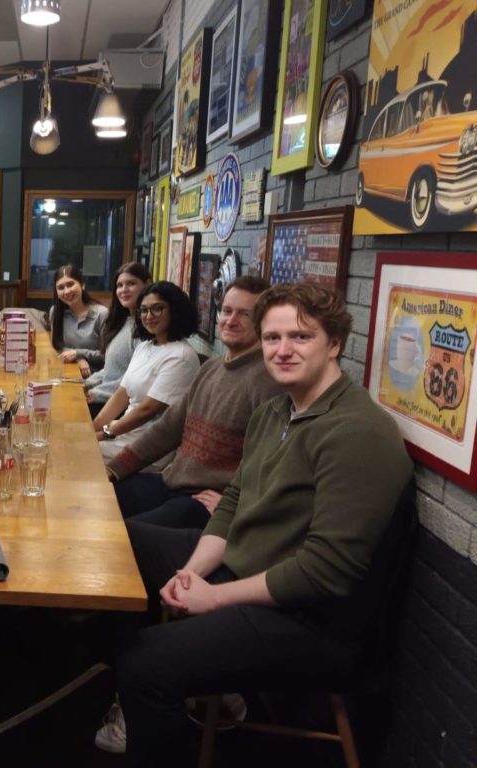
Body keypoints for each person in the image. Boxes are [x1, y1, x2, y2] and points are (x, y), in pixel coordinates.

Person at [113, 283, 412, 768]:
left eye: (300, 337)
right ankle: (145, 699)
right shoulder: (277, 409)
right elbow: (234, 500)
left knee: (143, 665)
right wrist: (194, 571)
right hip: (249, 565)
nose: (283, 350)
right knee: (118, 544)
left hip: (311, 619)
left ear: (334, 343)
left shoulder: (358, 433)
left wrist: (212, 597)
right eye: (272, 338)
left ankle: (147, 697)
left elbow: (325, 572)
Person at [106, 276, 281, 528]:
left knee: (121, 537)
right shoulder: (211, 368)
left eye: (245, 314)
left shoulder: (269, 381)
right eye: (227, 311)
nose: (231, 321)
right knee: (95, 498)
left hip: (202, 502)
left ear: (265, 322)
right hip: (169, 483)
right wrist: (113, 469)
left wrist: (234, 505)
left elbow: (267, 463)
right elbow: (166, 430)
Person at [93, 281, 200, 462]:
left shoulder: (181, 355)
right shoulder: (145, 346)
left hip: (147, 448)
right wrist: (93, 427)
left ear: (175, 310)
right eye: (143, 310)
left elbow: (148, 409)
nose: (149, 316)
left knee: (71, 454)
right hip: (122, 434)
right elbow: (122, 394)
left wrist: (105, 434)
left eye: (157, 308)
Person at [85, 262, 151, 417]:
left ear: (147, 284)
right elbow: (111, 371)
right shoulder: (123, 321)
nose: (123, 290)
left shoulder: (146, 327)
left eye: (131, 284)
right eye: (119, 285)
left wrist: (96, 393)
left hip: (117, 408)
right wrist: (85, 384)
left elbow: (132, 380)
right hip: (102, 397)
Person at [49, 264, 109, 377]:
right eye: (60, 287)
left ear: (82, 285)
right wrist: (78, 358)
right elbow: (58, 345)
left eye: (70, 284)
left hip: (96, 378)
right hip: (68, 372)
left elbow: (107, 356)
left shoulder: (102, 314)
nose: (66, 291)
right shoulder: (55, 312)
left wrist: (78, 353)